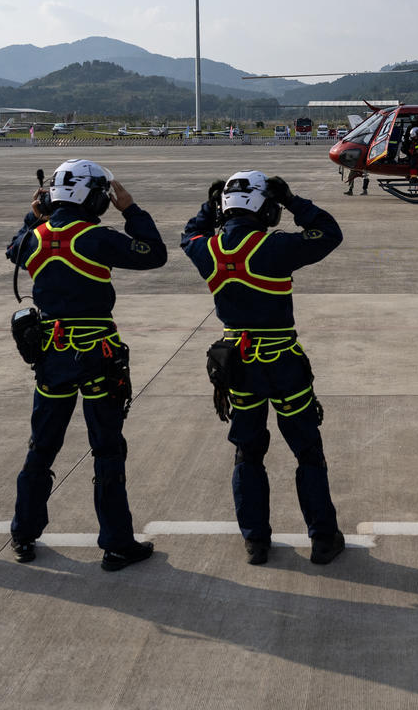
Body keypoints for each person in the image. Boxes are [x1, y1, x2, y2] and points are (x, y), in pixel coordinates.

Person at [6, 159, 166, 570]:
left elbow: (14, 248)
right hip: (98, 354)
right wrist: (130, 208)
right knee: (107, 448)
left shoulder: (34, 239)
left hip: (52, 356)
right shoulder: (96, 237)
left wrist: (34, 214)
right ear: (92, 197)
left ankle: (23, 533)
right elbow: (154, 253)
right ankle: (116, 544)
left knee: (42, 446)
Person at [181, 171, 347, 565]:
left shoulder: (207, 249)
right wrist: (292, 200)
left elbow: (188, 234)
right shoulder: (274, 248)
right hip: (283, 363)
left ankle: (256, 540)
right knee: (307, 450)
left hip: (238, 366)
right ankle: (323, 538)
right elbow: (328, 232)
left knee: (247, 452)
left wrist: (210, 205)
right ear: (265, 207)